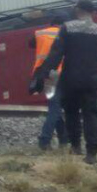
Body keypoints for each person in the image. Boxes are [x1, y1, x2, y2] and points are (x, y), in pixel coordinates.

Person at [30, 0, 97, 164]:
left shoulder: (67, 28)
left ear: (77, 10)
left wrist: (42, 74)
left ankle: (75, 147)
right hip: (92, 79)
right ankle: (91, 153)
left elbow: (56, 54)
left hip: (70, 78)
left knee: (72, 113)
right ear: (93, 12)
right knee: (91, 115)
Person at [30, 17, 69, 150]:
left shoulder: (40, 33)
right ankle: (45, 140)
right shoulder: (66, 34)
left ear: (51, 23)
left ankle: (62, 139)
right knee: (55, 108)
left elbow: (30, 44)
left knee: (54, 106)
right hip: (61, 73)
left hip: (46, 75)